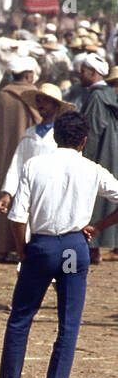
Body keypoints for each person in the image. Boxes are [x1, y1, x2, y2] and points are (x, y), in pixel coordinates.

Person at [0, 111, 118, 378]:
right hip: (72, 248)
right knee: (68, 321)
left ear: (55, 136)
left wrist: (23, 249)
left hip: (42, 247)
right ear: (84, 140)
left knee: (21, 317)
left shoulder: (35, 165)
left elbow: (17, 218)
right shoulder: (92, 169)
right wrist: (98, 227)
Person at [0, 55, 44, 260]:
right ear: (29, 75)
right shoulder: (37, 95)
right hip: (32, 153)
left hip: (4, 155)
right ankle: (25, 247)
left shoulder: (1, 96)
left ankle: (1, 248)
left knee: (4, 197)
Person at [74, 52, 118, 262]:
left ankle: (93, 250)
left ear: (93, 73)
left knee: (94, 201)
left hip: (99, 153)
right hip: (112, 152)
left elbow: (91, 132)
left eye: (83, 71)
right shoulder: (109, 94)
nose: (79, 74)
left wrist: (83, 158)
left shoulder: (97, 97)